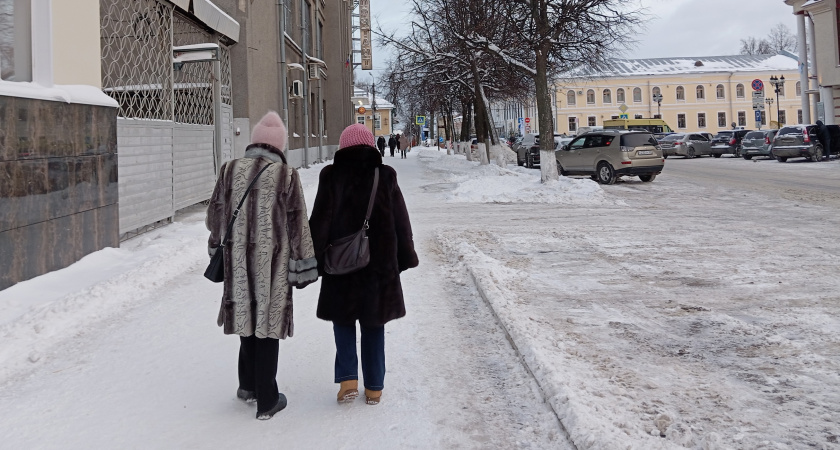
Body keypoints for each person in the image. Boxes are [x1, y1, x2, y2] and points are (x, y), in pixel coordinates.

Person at [206, 111, 318, 420]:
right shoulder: (286, 175)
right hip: (273, 266)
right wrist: (303, 265)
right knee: (268, 326)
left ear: (254, 141)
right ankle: (267, 400)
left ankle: (248, 386)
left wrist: (216, 246)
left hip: (237, 262)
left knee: (245, 317)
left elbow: (214, 218)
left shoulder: (229, 170)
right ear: (279, 146)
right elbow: (298, 225)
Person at [309, 123, 419, 406]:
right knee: (374, 324)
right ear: (371, 146)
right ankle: (374, 388)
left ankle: (347, 380)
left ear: (342, 147)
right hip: (379, 266)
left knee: (343, 321)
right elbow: (400, 220)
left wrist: (314, 259)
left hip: (340, 265)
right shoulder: (385, 175)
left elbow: (320, 220)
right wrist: (405, 256)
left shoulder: (331, 176)